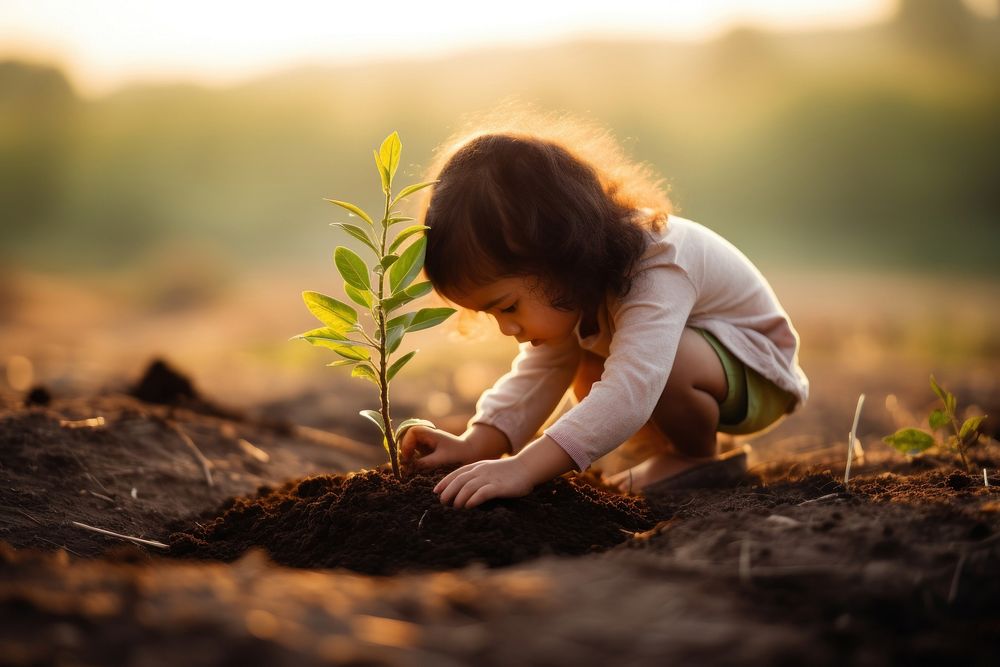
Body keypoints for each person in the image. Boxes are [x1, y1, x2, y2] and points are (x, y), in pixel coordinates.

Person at [399, 111, 809, 509]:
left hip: (759, 373)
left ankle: (695, 458)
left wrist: (524, 468)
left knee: (655, 366)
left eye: (507, 307)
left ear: (558, 252)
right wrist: (475, 444)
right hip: (709, 368)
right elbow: (540, 371)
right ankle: (674, 451)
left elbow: (632, 389)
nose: (507, 329)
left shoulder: (657, 262)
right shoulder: (575, 285)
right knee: (588, 367)